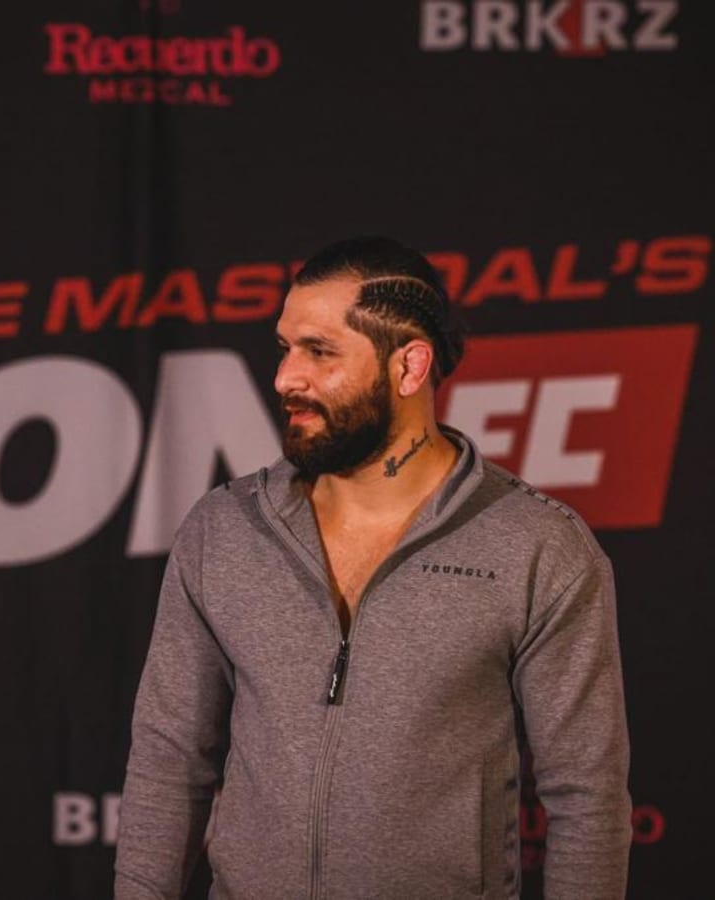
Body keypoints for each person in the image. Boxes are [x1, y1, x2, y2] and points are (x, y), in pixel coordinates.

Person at [114, 237, 631, 899]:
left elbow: (587, 796)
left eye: (319, 351)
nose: (285, 378)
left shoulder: (538, 547)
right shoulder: (224, 531)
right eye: (285, 348)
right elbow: (169, 758)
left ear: (409, 366)